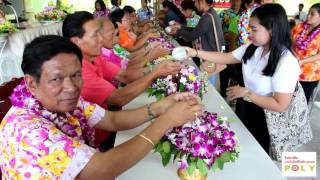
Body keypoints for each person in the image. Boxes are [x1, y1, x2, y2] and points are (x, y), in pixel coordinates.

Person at [0, 35, 203, 179]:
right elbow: (101, 170)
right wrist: (167, 121)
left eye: (76, 75)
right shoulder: (26, 130)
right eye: (56, 78)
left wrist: (165, 105)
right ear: (31, 84)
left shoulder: (65, 102)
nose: (71, 87)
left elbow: (112, 119)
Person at [183, 3, 301, 153]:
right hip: (246, 106)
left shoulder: (286, 62)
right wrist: (195, 52)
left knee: (257, 152)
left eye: (254, 29)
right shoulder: (254, 48)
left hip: (266, 118)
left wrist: (246, 93)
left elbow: (280, 105)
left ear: (271, 29)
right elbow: (226, 57)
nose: (249, 33)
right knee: (240, 143)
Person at [62, 11, 181, 149]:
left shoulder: (95, 57)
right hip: (93, 143)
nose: (101, 40)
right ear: (76, 41)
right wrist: (155, 71)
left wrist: (156, 69)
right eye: (95, 35)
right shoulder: (79, 70)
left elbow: (124, 75)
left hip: (108, 126)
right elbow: (117, 98)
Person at [169, 0, 225, 86]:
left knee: (207, 84)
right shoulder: (210, 13)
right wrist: (180, 27)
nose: (194, 4)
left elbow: (191, 36)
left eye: (195, 1)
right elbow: (197, 30)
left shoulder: (207, 17)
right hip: (211, 55)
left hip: (209, 57)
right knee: (208, 80)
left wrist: (178, 31)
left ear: (202, 1)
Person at [292, 3, 320, 102]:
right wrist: (294, 55)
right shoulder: (299, 26)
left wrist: (303, 61)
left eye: (312, 14)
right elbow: (289, 43)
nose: (308, 16)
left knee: (301, 102)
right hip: (292, 69)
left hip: (309, 75)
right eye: (308, 13)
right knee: (287, 99)